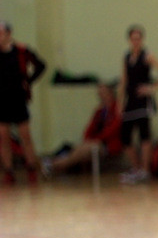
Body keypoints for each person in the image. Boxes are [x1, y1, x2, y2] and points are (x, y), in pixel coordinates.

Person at [117, 24, 158, 184]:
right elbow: (124, 80)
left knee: (144, 135)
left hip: (143, 102)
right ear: (129, 40)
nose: (136, 41)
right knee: (125, 137)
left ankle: (145, 170)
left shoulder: (147, 55)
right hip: (130, 101)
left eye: (138, 38)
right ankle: (137, 168)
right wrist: (119, 103)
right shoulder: (127, 57)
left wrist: (152, 88)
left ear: (142, 39)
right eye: (133, 38)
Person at [0, 20, 47, 184]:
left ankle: (32, 168)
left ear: (8, 34)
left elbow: (41, 65)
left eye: (1, 33)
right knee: (3, 137)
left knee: (25, 136)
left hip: (18, 98)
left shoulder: (21, 51)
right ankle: (8, 171)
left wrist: (29, 80)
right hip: (1, 100)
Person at [42, 82, 122, 175]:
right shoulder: (100, 111)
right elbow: (89, 128)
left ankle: (54, 165)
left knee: (87, 148)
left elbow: (113, 129)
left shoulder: (117, 109)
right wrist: (88, 139)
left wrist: (96, 139)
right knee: (81, 148)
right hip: (95, 141)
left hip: (108, 144)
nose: (101, 96)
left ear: (110, 93)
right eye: (99, 93)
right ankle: (55, 164)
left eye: (103, 93)